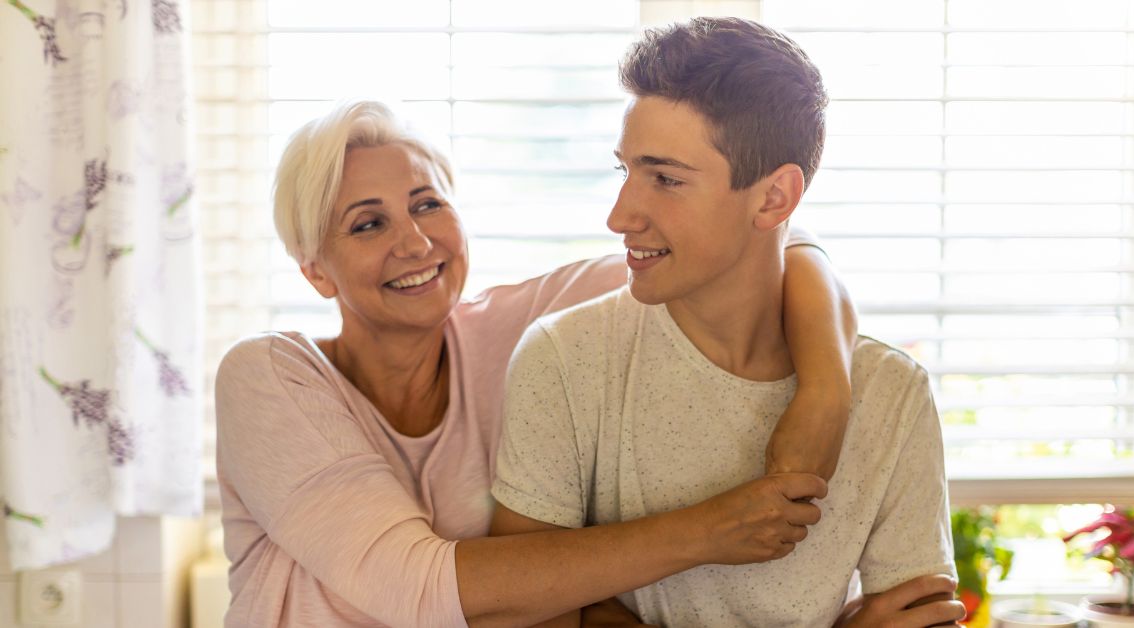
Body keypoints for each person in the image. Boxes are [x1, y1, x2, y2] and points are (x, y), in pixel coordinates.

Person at [214, 97, 862, 627]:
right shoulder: (270, 378)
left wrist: (826, 393)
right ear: (315, 271)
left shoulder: (524, 331)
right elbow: (415, 586)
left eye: (426, 204)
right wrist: (710, 531)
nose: (414, 242)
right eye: (366, 225)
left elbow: (760, 245)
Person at [491, 17, 962, 628]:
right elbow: (516, 612)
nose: (619, 215)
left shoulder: (891, 393)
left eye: (665, 179)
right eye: (624, 170)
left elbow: (920, 616)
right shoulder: (564, 357)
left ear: (774, 198)